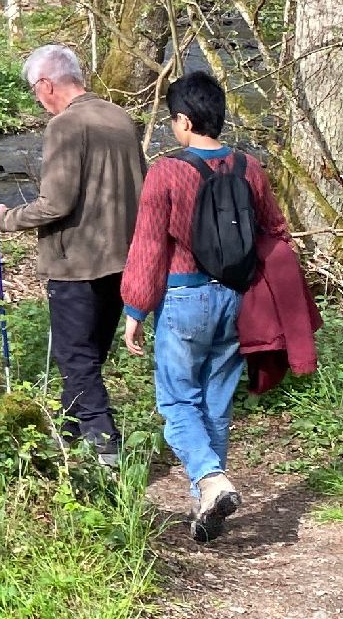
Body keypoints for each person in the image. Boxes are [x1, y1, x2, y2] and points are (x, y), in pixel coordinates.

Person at [119, 66, 289, 542]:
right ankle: (207, 503)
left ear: (185, 121)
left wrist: (135, 309)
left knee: (177, 402)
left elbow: (149, 245)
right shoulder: (250, 168)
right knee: (215, 403)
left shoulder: (167, 171)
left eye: (173, 120)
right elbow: (274, 231)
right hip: (237, 298)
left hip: (184, 298)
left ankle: (211, 480)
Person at [0, 44, 145, 472]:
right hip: (122, 258)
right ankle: (67, 436)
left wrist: (5, 219)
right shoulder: (120, 117)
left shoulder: (65, 126)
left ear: (46, 85)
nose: (37, 99)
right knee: (88, 356)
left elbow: (55, 203)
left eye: (34, 90)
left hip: (76, 263)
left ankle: (106, 446)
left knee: (76, 357)